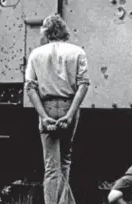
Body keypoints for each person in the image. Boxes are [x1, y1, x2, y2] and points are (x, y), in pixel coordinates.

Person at [24, 14, 90, 204]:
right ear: (63, 30)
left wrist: (43, 116)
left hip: (47, 106)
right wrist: (70, 114)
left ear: (46, 32)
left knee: (51, 167)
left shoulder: (36, 54)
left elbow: (30, 87)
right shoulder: (78, 52)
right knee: (65, 160)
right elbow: (83, 85)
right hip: (69, 105)